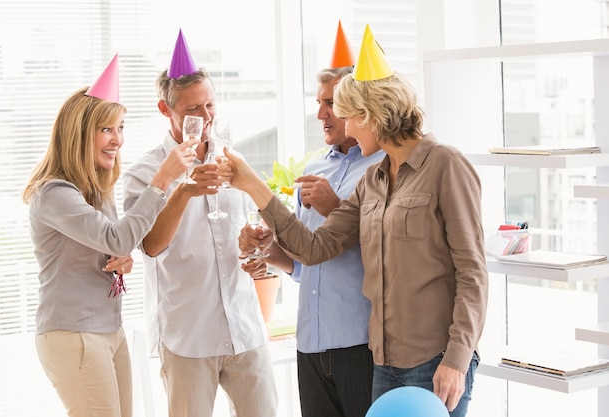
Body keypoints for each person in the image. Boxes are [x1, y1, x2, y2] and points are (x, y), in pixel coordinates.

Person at [219, 24, 488, 417]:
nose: (344, 126)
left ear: (373, 115)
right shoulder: (373, 181)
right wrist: (253, 186)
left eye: (349, 117)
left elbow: (473, 274)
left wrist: (458, 359)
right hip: (384, 365)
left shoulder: (446, 165)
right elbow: (314, 248)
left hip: (436, 361)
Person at [22, 54, 196, 417]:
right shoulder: (54, 193)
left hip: (106, 328)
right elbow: (118, 237)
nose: (117, 139)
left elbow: (113, 243)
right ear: (79, 134)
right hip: (74, 333)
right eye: (106, 129)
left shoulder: (96, 192)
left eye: (120, 128)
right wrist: (161, 179)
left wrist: (121, 260)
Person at [122, 30, 277, 417]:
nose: (206, 118)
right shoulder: (144, 174)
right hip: (187, 335)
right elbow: (151, 246)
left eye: (210, 105)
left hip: (245, 327)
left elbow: (246, 232)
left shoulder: (233, 160)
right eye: (193, 109)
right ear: (165, 109)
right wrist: (184, 191)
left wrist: (258, 247)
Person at [240, 21, 383, 417]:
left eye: (331, 103)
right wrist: (270, 251)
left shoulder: (383, 167)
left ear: (360, 107)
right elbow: (303, 264)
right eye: (319, 102)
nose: (321, 113)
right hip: (310, 343)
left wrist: (334, 206)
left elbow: (384, 248)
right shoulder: (315, 167)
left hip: (359, 343)